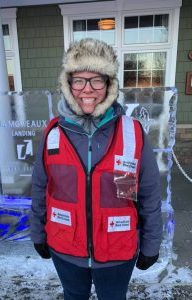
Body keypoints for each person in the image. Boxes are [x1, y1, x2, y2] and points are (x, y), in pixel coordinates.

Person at [30, 38, 163, 300]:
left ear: (109, 84)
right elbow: (40, 187)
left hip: (117, 251)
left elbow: (148, 194)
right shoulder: (53, 133)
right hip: (65, 248)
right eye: (79, 80)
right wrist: (38, 232)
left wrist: (151, 243)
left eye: (96, 80)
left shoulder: (131, 132)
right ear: (68, 85)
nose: (87, 89)